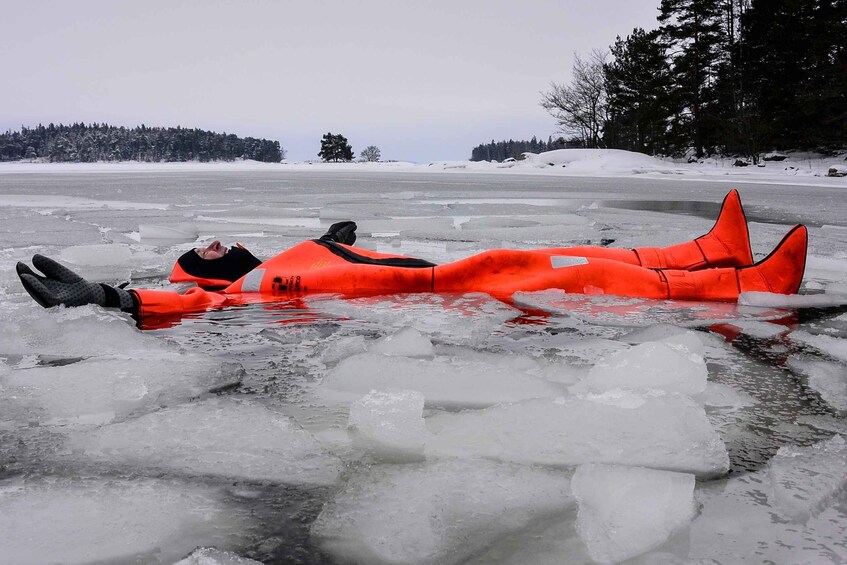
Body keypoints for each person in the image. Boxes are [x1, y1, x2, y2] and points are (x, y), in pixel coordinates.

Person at [16, 190, 807, 325]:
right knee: (575, 272)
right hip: (441, 292)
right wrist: (118, 298)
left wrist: (337, 236)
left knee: (551, 252)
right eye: (206, 250)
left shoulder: (290, 254)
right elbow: (195, 303)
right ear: (204, 269)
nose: (217, 242)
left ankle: (706, 251)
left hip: (446, 271)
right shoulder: (248, 291)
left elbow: (340, 249)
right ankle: (734, 286)